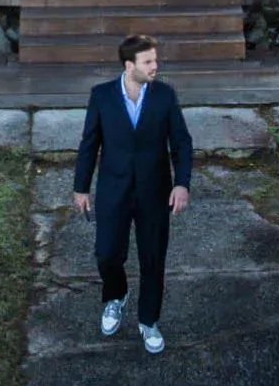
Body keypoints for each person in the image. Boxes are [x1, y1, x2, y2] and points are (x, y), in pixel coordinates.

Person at [71, 33, 193, 355]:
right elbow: (89, 143)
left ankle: (148, 320)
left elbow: (181, 142)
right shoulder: (101, 96)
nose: (155, 66)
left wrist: (182, 183)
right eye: (148, 61)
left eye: (155, 60)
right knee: (106, 253)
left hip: (155, 191)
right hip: (113, 190)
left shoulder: (165, 96)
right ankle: (116, 295)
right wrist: (81, 187)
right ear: (129, 66)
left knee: (152, 257)